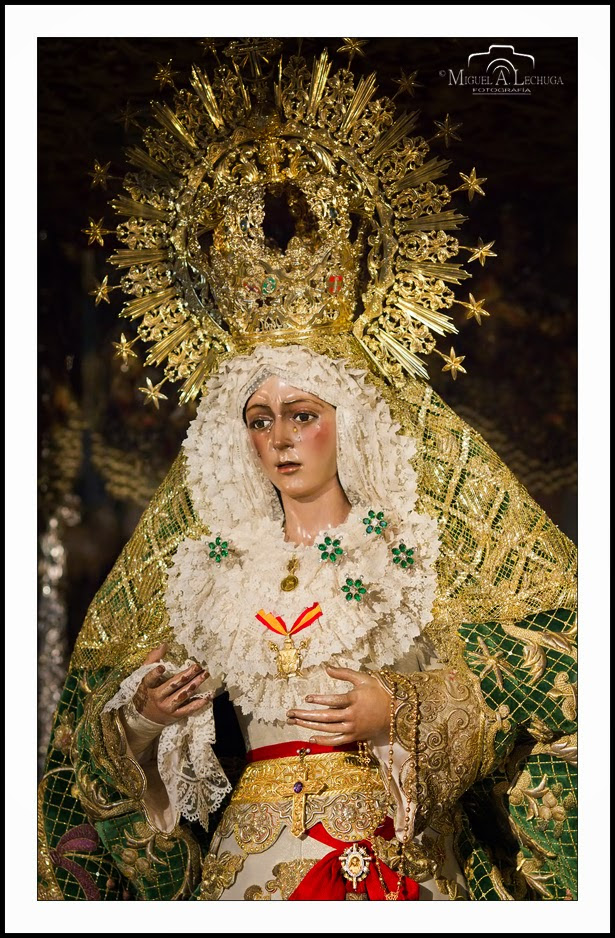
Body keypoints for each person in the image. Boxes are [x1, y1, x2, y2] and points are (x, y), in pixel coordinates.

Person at [37, 41, 577, 901]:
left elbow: (534, 686)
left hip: (387, 861)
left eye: (302, 415)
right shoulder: (208, 568)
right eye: (260, 420)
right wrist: (146, 714)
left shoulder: (411, 550)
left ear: (345, 425)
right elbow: (95, 745)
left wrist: (400, 711)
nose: (280, 439)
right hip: (244, 868)